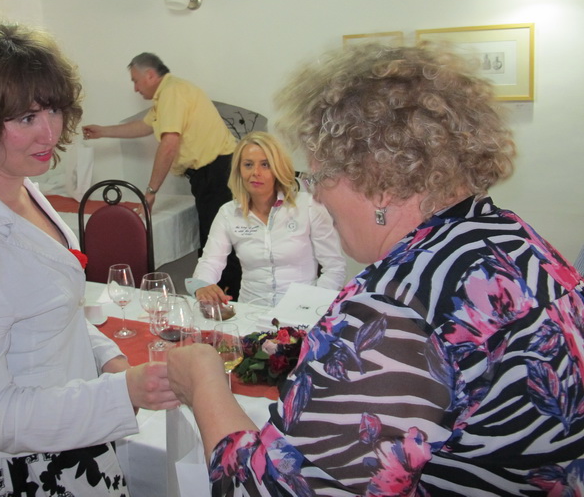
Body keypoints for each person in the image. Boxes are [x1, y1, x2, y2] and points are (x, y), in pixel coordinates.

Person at [167, 43, 584, 495]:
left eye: (319, 175)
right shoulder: (514, 238)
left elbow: (271, 488)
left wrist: (204, 382)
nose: (317, 194)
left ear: (380, 183)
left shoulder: (395, 308)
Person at [0, 20, 178, 496]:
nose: (50, 132)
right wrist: (125, 393)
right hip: (17, 470)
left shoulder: (17, 183)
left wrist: (110, 361)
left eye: (53, 109)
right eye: (25, 118)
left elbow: (52, 310)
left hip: (65, 426)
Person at [82, 53, 242, 297]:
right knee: (215, 240)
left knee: (218, 244)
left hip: (218, 172)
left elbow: (169, 144)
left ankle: (226, 301)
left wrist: (151, 192)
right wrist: (103, 131)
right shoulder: (168, 94)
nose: (135, 88)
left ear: (150, 75)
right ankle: (221, 298)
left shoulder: (172, 92)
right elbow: (144, 126)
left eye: (135, 80)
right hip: (211, 173)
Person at [189, 131, 346, 306]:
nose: (255, 172)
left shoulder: (309, 206)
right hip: (251, 311)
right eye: (248, 165)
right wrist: (202, 286)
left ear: (278, 168)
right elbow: (210, 262)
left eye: (265, 165)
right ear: (239, 170)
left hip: (301, 309)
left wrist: (312, 305)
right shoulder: (228, 213)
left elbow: (334, 268)